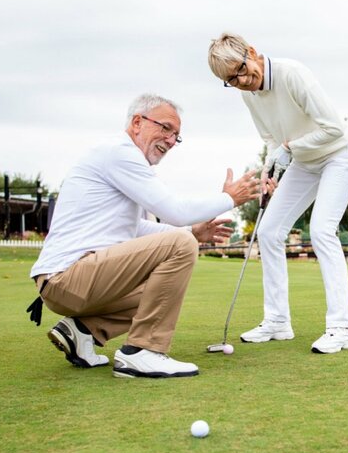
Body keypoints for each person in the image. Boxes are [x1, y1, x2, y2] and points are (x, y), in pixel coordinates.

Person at [27, 93, 265, 378]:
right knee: (180, 245)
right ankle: (143, 352)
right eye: (165, 127)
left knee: (162, 290)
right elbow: (174, 210)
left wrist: (194, 231)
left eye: (176, 135)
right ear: (137, 122)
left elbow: (136, 229)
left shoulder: (122, 160)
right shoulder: (119, 152)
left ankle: (82, 331)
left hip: (68, 282)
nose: (170, 140)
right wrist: (228, 199)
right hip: (67, 277)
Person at [207, 33, 348, 354]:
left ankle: (341, 327)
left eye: (241, 69)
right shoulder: (248, 95)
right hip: (303, 162)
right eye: (231, 81)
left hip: (338, 155)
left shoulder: (292, 74)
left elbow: (334, 129)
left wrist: (289, 149)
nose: (242, 81)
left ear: (252, 52)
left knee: (321, 231)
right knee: (269, 231)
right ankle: (277, 321)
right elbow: (272, 139)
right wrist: (271, 169)